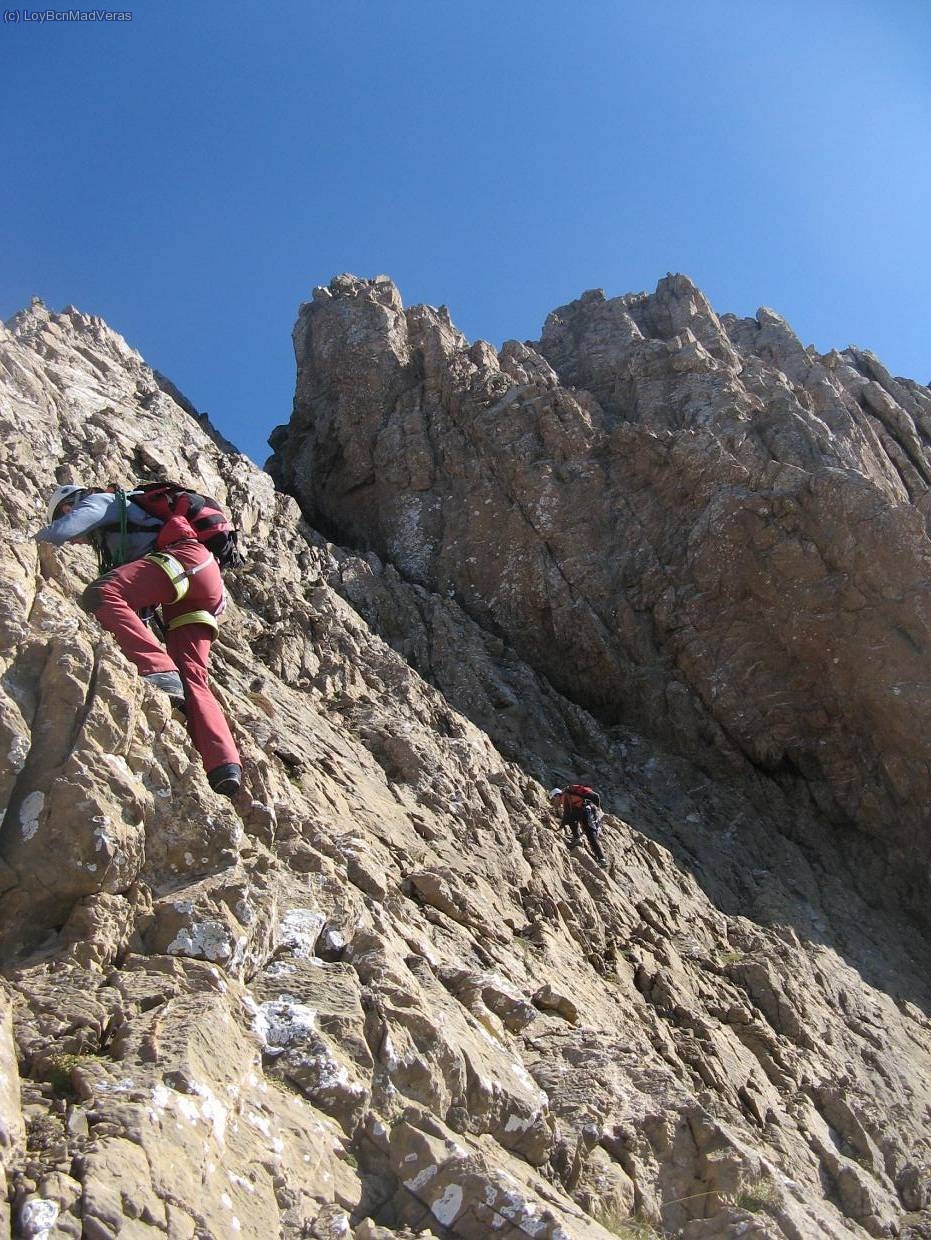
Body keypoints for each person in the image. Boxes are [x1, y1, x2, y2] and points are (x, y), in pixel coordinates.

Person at [35, 484, 242, 797]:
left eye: (66, 509)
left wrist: (28, 541)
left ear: (72, 501)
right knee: (193, 677)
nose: (78, 536)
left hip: (184, 561)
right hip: (204, 584)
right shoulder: (124, 538)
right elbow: (137, 611)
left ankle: (159, 669)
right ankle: (223, 766)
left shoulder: (103, 500)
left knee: (100, 593)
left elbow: (69, 528)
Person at [549, 784, 607, 867]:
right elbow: (568, 816)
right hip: (584, 811)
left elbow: (567, 815)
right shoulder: (567, 798)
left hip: (588, 810)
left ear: (557, 795)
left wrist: (559, 828)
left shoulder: (567, 795)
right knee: (573, 820)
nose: (554, 803)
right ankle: (577, 838)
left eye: (553, 800)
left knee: (591, 834)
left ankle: (602, 858)